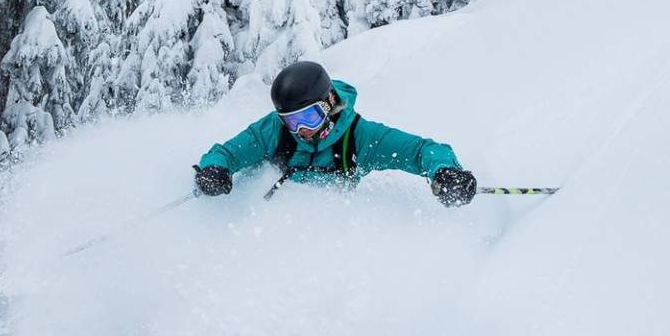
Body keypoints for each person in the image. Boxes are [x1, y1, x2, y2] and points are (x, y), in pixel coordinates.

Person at [193, 60, 478, 207]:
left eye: (308, 117)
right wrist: (213, 170)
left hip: (321, 230)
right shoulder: (274, 130)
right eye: (291, 121)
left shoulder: (359, 137)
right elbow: (227, 153)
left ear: (328, 104)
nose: (301, 130)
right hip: (262, 213)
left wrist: (445, 172)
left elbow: (420, 151)